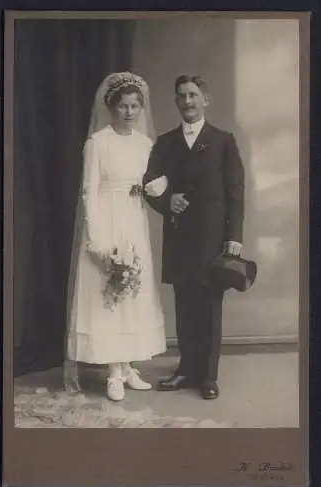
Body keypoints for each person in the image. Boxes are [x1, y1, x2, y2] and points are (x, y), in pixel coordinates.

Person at [64, 72, 166, 402]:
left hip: (134, 219)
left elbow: (152, 182)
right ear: (111, 107)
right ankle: (112, 372)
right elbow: (88, 192)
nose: (129, 112)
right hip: (107, 219)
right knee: (108, 292)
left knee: (132, 291)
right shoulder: (98, 142)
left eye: (135, 106)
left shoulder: (145, 143)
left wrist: (156, 187)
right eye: (123, 106)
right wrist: (96, 238)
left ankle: (126, 366)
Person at [143, 74, 245, 400]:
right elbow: (149, 182)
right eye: (181, 96)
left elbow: (235, 194)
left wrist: (235, 236)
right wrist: (166, 200)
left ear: (206, 99)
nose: (187, 102)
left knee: (210, 307)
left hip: (213, 239)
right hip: (180, 236)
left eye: (193, 95)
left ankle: (208, 376)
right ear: (176, 102)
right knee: (184, 304)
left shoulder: (223, 140)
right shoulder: (166, 142)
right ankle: (186, 369)